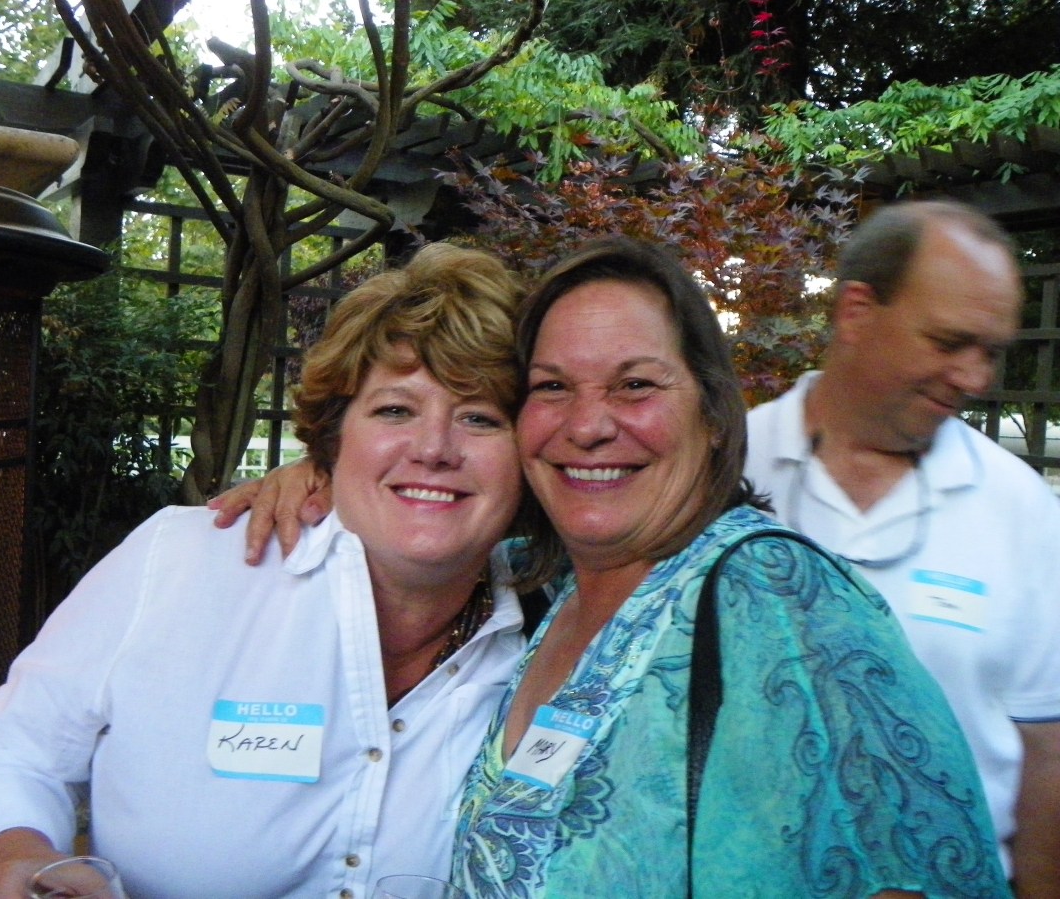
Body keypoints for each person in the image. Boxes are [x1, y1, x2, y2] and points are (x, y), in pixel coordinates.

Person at [215, 237, 1009, 897]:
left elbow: (916, 867)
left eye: (634, 386)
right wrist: (324, 474)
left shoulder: (785, 601)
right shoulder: (537, 590)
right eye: (552, 387)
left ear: (712, 409)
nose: (589, 425)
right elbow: (420, 514)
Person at [0, 243, 531, 899]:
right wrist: (15, 859)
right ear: (334, 439)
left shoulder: (557, 638)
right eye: (395, 410)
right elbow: (13, 746)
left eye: (480, 417)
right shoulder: (182, 563)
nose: (434, 449)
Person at [745, 199, 1060, 895]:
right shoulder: (730, 466)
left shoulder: (1022, 509)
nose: (975, 379)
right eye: (949, 342)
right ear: (856, 312)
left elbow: (1050, 755)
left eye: (990, 352)